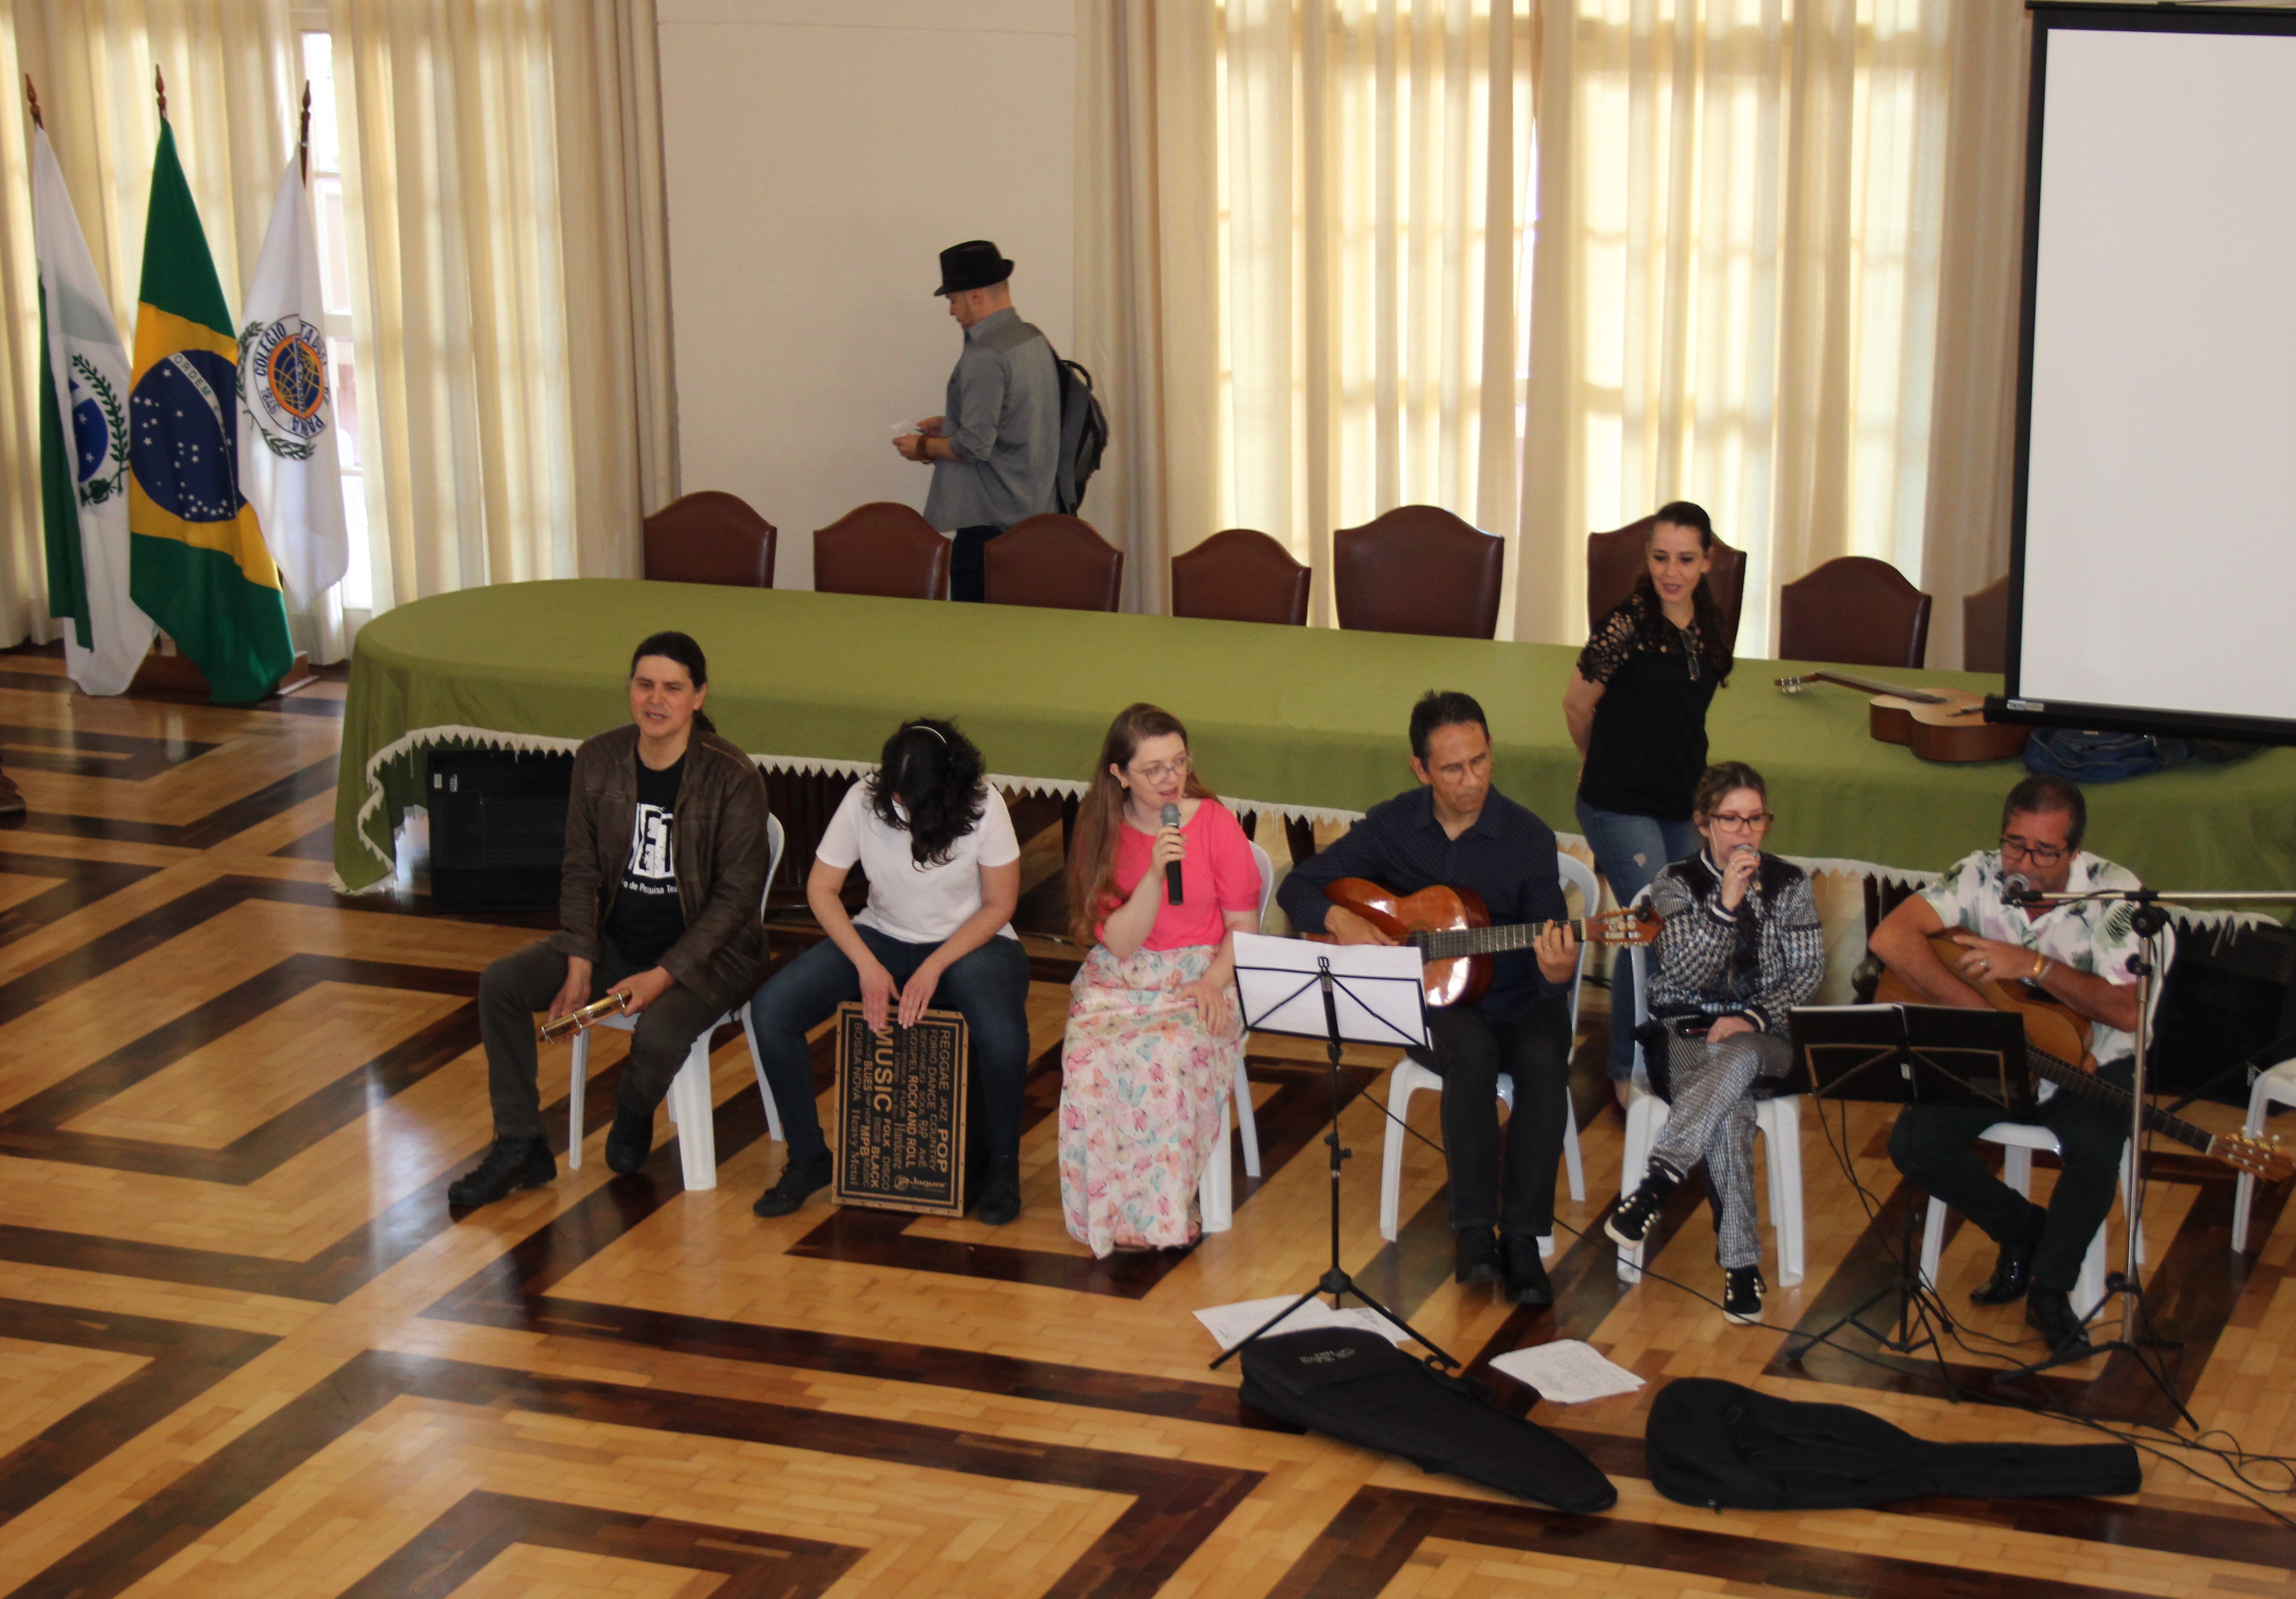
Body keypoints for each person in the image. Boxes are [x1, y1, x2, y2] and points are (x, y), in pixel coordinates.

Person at [448, 632, 770, 1208]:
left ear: (698, 696)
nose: (656, 699)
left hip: (711, 958)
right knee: (501, 983)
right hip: (616, 941)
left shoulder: (733, 776)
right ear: (630, 688)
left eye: (672, 688)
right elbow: (580, 868)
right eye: (645, 684)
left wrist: (663, 975)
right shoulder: (599, 760)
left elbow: (737, 900)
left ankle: (634, 1107)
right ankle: (521, 1142)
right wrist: (580, 958)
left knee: (660, 1033)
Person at [1277, 691, 1579, 1305]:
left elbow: (1552, 945)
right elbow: (1298, 887)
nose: (1472, 779)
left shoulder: (1526, 836)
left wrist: (1560, 966)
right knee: (1471, 1051)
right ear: (1420, 769)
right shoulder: (1393, 826)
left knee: (1546, 1059)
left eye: (1480, 760)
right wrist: (1340, 918)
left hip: (1521, 994)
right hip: (1439, 1002)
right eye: (1453, 768)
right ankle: (1474, 1231)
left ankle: (1524, 1240)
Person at [1875, 775, 2143, 1355]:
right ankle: (2022, 1229)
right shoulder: (1977, 873)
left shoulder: (2117, 897)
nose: (2024, 862)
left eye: (2045, 851)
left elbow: (2128, 1010)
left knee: (2096, 1148)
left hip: (2092, 1059)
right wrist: (1981, 1016)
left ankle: (2051, 1288)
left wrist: (2034, 965)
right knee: (1915, 1143)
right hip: (1999, 1053)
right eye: (2015, 844)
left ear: (2074, 850)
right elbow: (1891, 938)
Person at [746, 718, 1033, 1223]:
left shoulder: (985, 804)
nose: (904, 810)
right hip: (883, 935)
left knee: (1003, 1036)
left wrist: (937, 963)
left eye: (912, 802)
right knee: (771, 1010)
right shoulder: (863, 799)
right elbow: (821, 889)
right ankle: (809, 1157)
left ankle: (1002, 1166)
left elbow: (1000, 904)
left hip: (973, 941)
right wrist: (866, 963)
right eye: (897, 799)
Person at [1603, 762, 1823, 1325]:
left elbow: (1808, 975)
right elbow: (1683, 971)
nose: (1745, 832)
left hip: (1766, 1036)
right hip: (1686, 1031)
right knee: (1729, 1104)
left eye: (1756, 819)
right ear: (1703, 824)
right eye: (1730, 820)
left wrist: (1752, 1015)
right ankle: (1742, 1266)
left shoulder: (1791, 884)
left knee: (1740, 1053)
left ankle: (1658, 1183)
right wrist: (1725, 905)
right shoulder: (1673, 884)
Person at [1059, 703, 1262, 1256]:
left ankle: (1164, 1206)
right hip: (1125, 972)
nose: (1171, 777)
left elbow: (1244, 925)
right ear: (1119, 773)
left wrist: (1213, 983)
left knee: (1168, 1052)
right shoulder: (1101, 830)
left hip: (1204, 972)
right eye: (1153, 769)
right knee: (1090, 1054)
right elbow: (1120, 942)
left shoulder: (1214, 822)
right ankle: (1112, 1207)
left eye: (1178, 762)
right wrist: (1153, 873)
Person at [1563, 502, 1732, 1103]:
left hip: (1680, 802)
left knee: (1687, 922)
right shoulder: (1626, 624)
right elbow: (1577, 703)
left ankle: (1675, 1051)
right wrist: (1593, 757)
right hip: (1618, 802)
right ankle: (1626, 1070)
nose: (1671, 571)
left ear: (1707, 561)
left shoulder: (1710, 622)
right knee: (1652, 922)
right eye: (1660, 557)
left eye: (1685, 559)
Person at [896, 239, 1060, 603]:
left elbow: (974, 446)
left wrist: (923, 446)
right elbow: (1019, 417)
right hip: (1034, 521)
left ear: (975, 296)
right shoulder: (1031, 339)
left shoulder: (985, 354)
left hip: (990, 527)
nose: (951, 311)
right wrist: (952, 424)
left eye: (953, 300)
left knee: (974, 633)